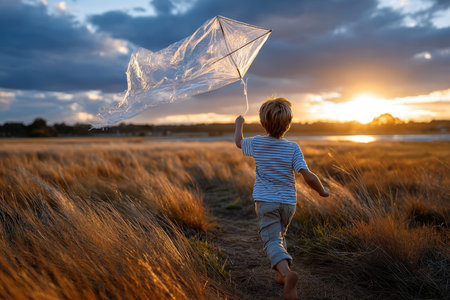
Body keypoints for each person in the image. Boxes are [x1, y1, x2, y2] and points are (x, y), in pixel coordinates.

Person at [234, 97, 329, 300]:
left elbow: (238, 143)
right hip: (288, 203)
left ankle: (287, 275)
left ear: (262, 124)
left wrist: (238, 125)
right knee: (279, 236)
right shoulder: (293, 148)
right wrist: (322, 191)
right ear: (288, 124)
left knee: (270, 240)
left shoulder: (257, 143)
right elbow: (307, 174)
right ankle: (280, 274)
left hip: (266, 201)